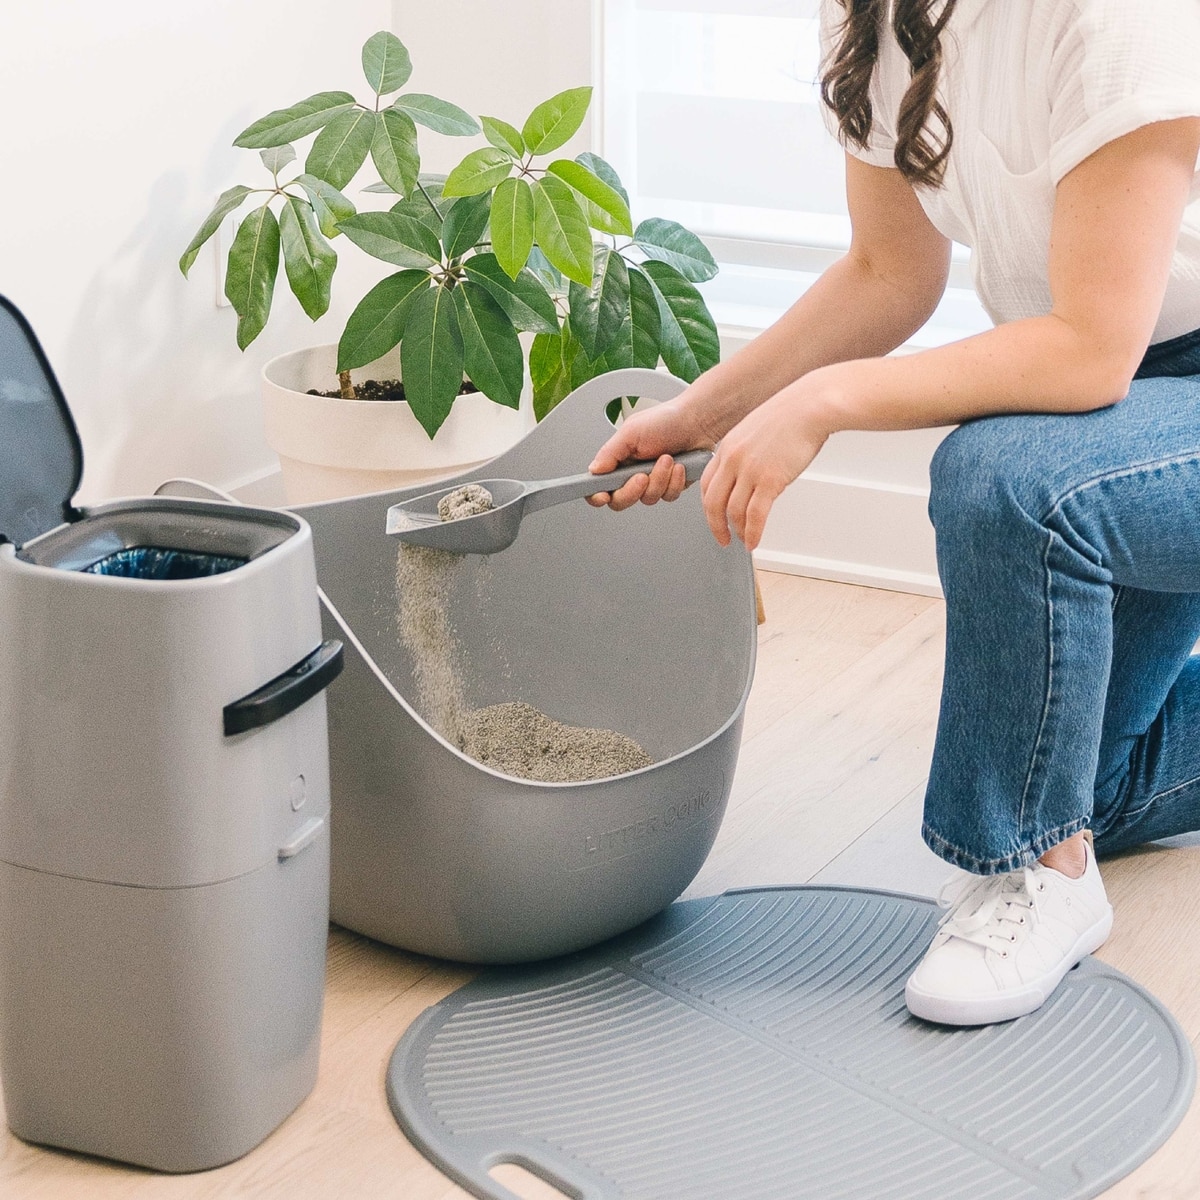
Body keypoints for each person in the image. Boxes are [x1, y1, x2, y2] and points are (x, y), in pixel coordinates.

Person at [587, 0, 1200, 1026]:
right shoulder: (880, 14)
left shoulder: (1117, 16)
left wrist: (822, 402)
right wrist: (703, 416)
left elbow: (1091, 349)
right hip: (1135, 397)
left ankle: (1033, 872)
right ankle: (1050, 829)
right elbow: (887, 271)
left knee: (1004, 479)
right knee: (1073, 778)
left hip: (1146, 382)